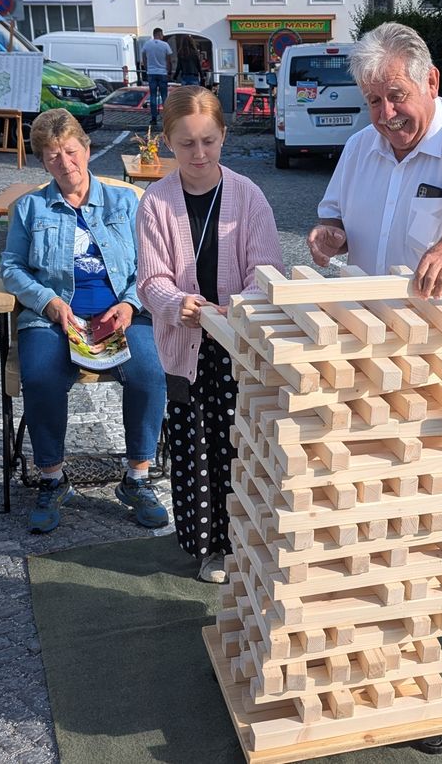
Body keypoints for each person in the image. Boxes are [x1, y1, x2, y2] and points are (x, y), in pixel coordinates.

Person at [308, 22, 442, 660]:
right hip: (375, 339)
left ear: (430, 81)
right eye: (373, 101)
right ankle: (387, 579)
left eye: (396, 95)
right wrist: (328, 238)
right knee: (380, 461)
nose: (386, 114)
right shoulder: (358, 148)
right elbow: (330, 218)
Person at [137, 86, 283, 584]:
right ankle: (210, 547)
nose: (198, 154)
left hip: (238, 346)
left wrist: (234, 307)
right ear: (168, 144)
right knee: (195, 448)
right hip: (186, 347)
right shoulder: (156, 200)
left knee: (242, 448)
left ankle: (250, 539)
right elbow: (151, 279)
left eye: (208, 141)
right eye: (186, 144)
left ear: (223, 136)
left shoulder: (248, 195)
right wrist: (178, 303)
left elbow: (267, 269)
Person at [0, 109, 168, 534]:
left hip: (120, 314)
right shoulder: (30, 208)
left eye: (71, 152)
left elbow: (151, 263)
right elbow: (13, 267)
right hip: (56, 318)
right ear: (43, 161)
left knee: (151, 371)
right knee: (39, 377)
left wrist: (130, 304)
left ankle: (137, 477)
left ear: (88, 151)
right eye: (53, 156)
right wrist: (48, 302)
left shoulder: (126, 200)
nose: (65, 163)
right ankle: (52, 479)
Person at [140, 27, 172, 128]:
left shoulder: (147, 44)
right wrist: (169, 71)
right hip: (162, 73)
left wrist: (146, 67)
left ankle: (154, 118)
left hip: (151, 73)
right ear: (160, 34)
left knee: (153, 96)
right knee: (164, 96)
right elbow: (168, 59)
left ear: (154, 34)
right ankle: (166, 117)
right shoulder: (165, 45)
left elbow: (143, 56)